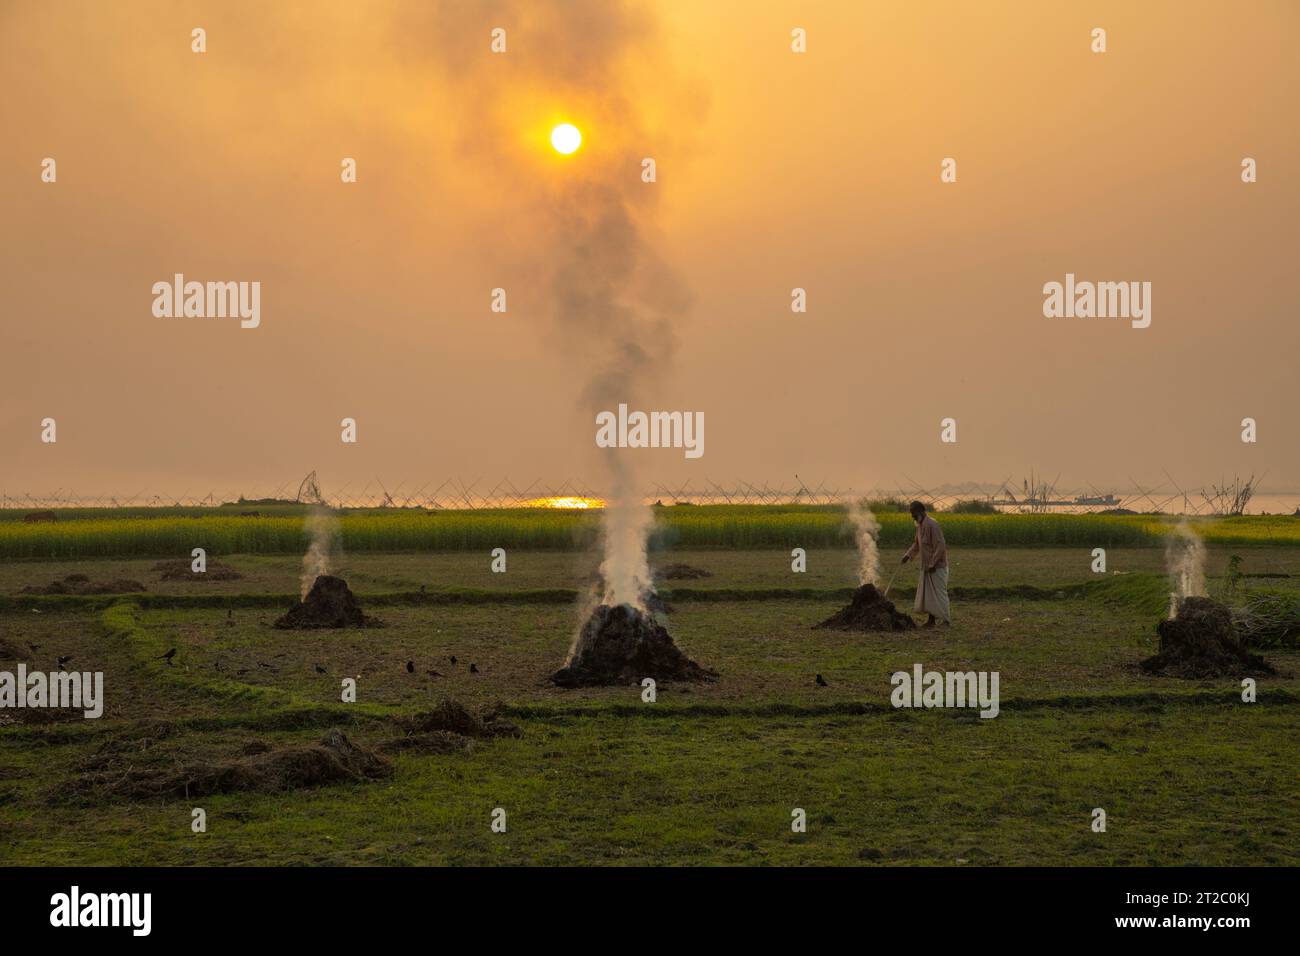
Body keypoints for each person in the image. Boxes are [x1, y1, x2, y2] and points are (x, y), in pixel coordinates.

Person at [900, 500, 950, 627]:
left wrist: (933, 564)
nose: (912, 516)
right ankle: (931, 621)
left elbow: (940, 546)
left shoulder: (933, 525)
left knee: (939, 593)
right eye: (911, 513)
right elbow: (917, 545)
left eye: (913, 513)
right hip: (926, 567)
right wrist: (907, 555)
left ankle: (946, 620)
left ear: (920, 511)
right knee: (928, 595)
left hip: (937, 567)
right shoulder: (919, 526)